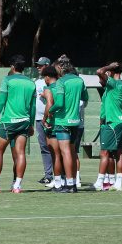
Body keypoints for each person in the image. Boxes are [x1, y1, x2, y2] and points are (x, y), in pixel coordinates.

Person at [0, 55, 36, 194]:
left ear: (12, 67)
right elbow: (33, 106)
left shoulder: (7, 80)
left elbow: (1, 101)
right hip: (24, 122)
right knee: (20, 153)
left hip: (8, 122)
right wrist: (31, 124)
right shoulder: (31, 83)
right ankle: (17, 186)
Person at [47, 55, 88, 193]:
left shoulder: (61, 82)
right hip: (75, 121)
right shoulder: (79, 80)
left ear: (60, 67)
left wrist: (50, 111)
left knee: (65, 153)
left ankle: (69, 185)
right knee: (72, 152)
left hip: (62, 121)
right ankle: (73, 183)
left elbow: (59, 103)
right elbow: (85, 97)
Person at [94, 62, 122, 191]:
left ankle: (99, 182)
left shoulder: (114, 84)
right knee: (116, 152)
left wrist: (109, 67)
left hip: (113, 123)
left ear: (112, 71)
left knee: (105, 152)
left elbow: (99, 71)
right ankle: (116, 182)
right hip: (118, 121)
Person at [39, 65, 63, 191]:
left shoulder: (48, 88)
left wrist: (44, 119)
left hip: (52, 124)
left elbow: (49, 104)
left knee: (55, 154)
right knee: (64, 154)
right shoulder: (62, 86)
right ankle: (65, 179)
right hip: (64, 122)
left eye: (44, 77)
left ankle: (57, 181)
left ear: (47, 77)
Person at [33, 56, 54, 185]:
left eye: (41, 65)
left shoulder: (53, 81)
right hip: (39, 118)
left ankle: (60, 175)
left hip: (52, 119)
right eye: (38, 65)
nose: (38, 67)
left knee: (54, 147)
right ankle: (48, 175)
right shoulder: (37, 82)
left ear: (47, 65)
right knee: (44, 147)